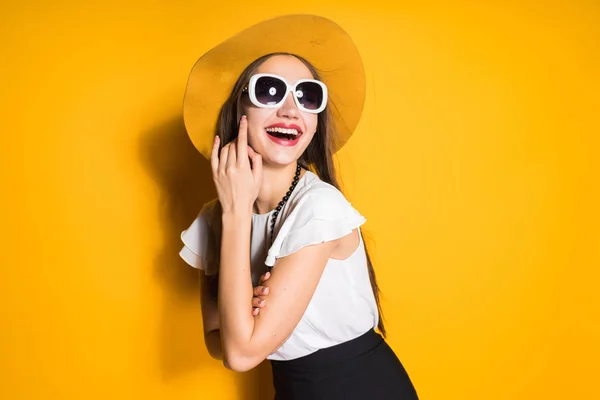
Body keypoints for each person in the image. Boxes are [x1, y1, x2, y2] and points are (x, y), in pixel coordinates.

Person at [179, 15, 419, 399]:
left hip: (362, 389)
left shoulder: (318, 206)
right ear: (238, 107)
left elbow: (240, 353)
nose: (292, 110)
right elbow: (217, 342)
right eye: (270, 91)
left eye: (307, 96)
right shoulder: (217, 216)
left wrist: (245, 314)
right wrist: (246, 314)